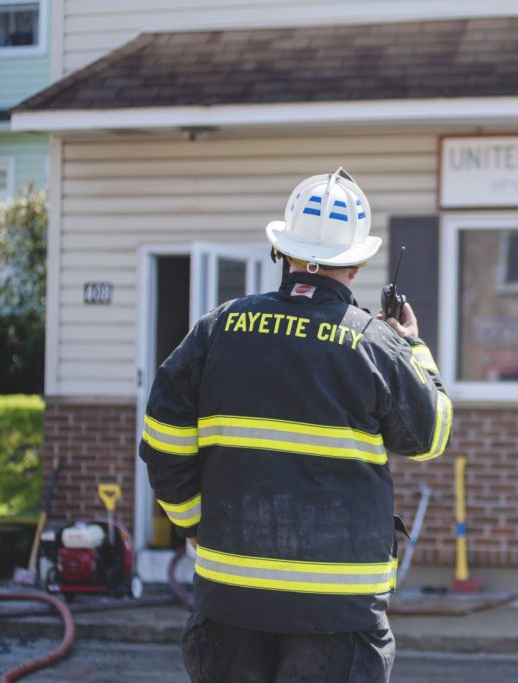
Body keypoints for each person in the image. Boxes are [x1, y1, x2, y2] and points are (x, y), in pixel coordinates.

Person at [139, 168, 452, 682]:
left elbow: (162, 439)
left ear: (282, 253)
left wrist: (195, 522)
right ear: (356, 264)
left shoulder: (217, 330)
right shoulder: (376, 343)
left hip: (229, 599)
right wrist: (414, 347)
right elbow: (431, 435)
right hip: (337, 613)